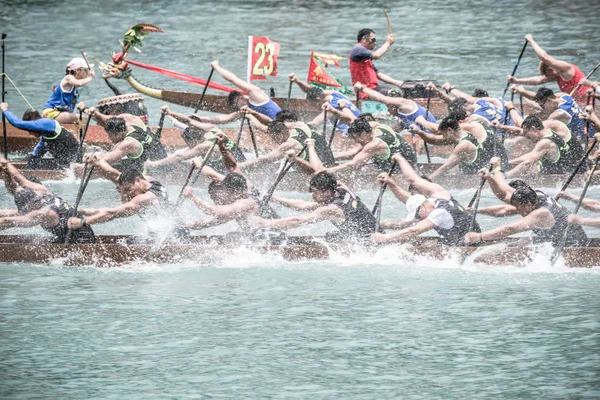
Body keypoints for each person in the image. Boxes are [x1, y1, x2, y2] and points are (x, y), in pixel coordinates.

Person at [464, 158, 588, 247]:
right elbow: (504, 196)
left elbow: (510, 229)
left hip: (573, 245)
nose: (518, 210)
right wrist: (492, 175)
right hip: (553, 240)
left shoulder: (541, 213)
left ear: (528, 204)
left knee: (522, 244)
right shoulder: (533, 195)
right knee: (523, 242)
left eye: (519, 207)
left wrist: (479, 237)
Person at [372, 154, 480, 246]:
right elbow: (407, 207)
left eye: (418, 214)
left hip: (468, 246)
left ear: (423, 205)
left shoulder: (438, 210)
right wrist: (391, 183)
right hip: (457, 240)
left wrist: (384, 238)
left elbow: (413, 230)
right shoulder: (436, 200)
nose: (419, 218)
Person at [67, 165, 188, 243]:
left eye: (129, 189)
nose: (128, 194)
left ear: (138, 181)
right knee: (129, 241)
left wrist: (83, 222)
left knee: (127, 244)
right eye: (124, 190)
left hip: (173, 237)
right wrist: (84, 211)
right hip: (170, 233)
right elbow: (119, 178)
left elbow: (113, 213)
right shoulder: (151, 181)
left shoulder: (144, 198)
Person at [251, 171, 377, 243]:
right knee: (331, 235)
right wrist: (273, 198)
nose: (313, 195)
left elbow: (298, 221)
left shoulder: (331, 210)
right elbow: (303, 206)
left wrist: (265, 223)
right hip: (372, 233)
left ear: (327, 192)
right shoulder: (341, 189)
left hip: (367, 244)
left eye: (315, 192)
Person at [0, 155, 95, 243]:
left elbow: (6, 221)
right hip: (83, 233)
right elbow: (18, 177)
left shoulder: (42, 214)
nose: (26, 212)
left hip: (81, 241)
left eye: (26, 210)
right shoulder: (43, 191)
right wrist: (5, 164)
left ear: (30, 205)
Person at [145, 106, 245, 173]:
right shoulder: (210, 128)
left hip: (238, 168)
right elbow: (188, 120)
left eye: (189, 144)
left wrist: (154, 164)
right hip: (238, 157)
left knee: (187, 161)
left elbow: (180, 156)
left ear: (194, 141)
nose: (189, 146)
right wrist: (169, 113)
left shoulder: (204, 146)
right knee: (191, 160)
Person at [415, 115, 508, 180]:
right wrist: (420, 132)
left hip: (474, 179)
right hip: (481, 170)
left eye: (443, 134)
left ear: (449, 130)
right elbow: (435, 140)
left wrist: (426, 181)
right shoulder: (464, 133)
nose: (443, 137)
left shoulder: (463, 146)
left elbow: (444, 168)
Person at [507, 34, 592, 105]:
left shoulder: (566, 69)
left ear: (551, 70)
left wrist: (531, 41)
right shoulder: (557, 76)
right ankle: (521, 93)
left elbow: (545, 57)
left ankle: (521, 92)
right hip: (576, 104)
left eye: (547, 75)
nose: (546, 77)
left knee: (550, 99)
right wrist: (516, 81)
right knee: (545, 102)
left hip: (588, 104)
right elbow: (538, 80)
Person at [237, 110, 335, 171]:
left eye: (275, 138)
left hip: (320, 171)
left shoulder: (288, 145)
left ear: (282, 133)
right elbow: (264, 126)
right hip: (330, 161)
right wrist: (250, 115)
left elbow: (263, 159)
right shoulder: (298, 125)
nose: (275, 141)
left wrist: (239, 166)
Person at [323, 116, 417, 174]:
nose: (356, 141)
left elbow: (352, 164)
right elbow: (354, 152)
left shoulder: (374, 145)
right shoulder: (374, 126)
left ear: (364, 133)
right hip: (405, 154)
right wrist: (329, 158)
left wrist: (326, 171)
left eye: (356, 138)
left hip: (402, 168)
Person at [0, 102, 79, 169]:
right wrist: (32, 156)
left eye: (30, 130)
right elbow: (40, 147)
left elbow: (17, 123)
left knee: (33, 165)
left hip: (73, 160)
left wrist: (5, 110)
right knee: (32, 161)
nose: (30, 133)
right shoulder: (46, 132)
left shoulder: (46, 123)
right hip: (64, 160)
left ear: (35, 126)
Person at [84, 107, 157, 176]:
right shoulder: (129, 119)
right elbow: (106, 119)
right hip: (154, 150)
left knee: (93, 168)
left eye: (110, 135)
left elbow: (103, 160)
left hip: (144, 172)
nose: (109, 138)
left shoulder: (128, 143)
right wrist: (95, 113)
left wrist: (91, 158)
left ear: (118, 133)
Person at [505, 115, 585, 177]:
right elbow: (532, 155)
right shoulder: (550, 131)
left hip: (556, 178)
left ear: (533, 129)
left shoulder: (545, 142)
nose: (526, 136)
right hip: (564, 171)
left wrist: (505, 176)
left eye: (526, 133)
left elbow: (527, 163)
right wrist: (509, 163)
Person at [288, 72, 360, 135]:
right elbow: (312, 90)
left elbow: (315, 123)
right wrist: (297, 81)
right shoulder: (336, 94)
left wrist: (292, 127)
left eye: (313, 105)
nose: (315, 107)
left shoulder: (332, 106)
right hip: (361, 125)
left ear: (317, 100)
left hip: (353, 134)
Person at [512, 85, 592, 140]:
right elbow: (537, 97)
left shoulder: (558, 114)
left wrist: (511, 109)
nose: (542, 108)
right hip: (590, 129)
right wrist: (522, 91)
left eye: (542, 106)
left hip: (584, 139)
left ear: (549, 100)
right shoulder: (564, 96)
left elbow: (536, 129)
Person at [211, 60, 282, 120]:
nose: (238, 109)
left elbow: (231, 79)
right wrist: (201, 119)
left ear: (241, 98)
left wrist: (216, 66)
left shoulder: (255, 93)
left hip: (284, 125)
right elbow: (226, 119)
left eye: (236, 106)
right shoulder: (248, 109)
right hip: (276, 128)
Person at [354, 82, 438, 132]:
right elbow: (393, 131)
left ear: (392, 103)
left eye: (388, 107)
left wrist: (362, 88)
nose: (388, 111)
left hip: (432, 134)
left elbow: (382, 99)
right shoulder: (401, 119)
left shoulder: (405, 104)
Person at [349, 28, 402, 100]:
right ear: (364, 39)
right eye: (373, 40)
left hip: (374, 89)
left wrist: (399, 83)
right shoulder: (357, 49)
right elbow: (376, 55)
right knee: (393, 94)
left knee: (400, 93)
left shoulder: (366, 57)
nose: (375, 42)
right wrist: (388, 43)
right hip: (365, 91)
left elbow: (379, 75)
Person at [41, 57, 95, 124]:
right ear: (77, 70)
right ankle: (81, 135)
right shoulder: (68, 78)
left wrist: (83, 108)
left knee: (81, 118)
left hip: (61, 113)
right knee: (83, 119)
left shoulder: (74, 87)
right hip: (51, 113)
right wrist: (91, 77)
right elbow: (79, 83)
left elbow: (73, 105)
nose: (87, 72)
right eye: (86, 70)